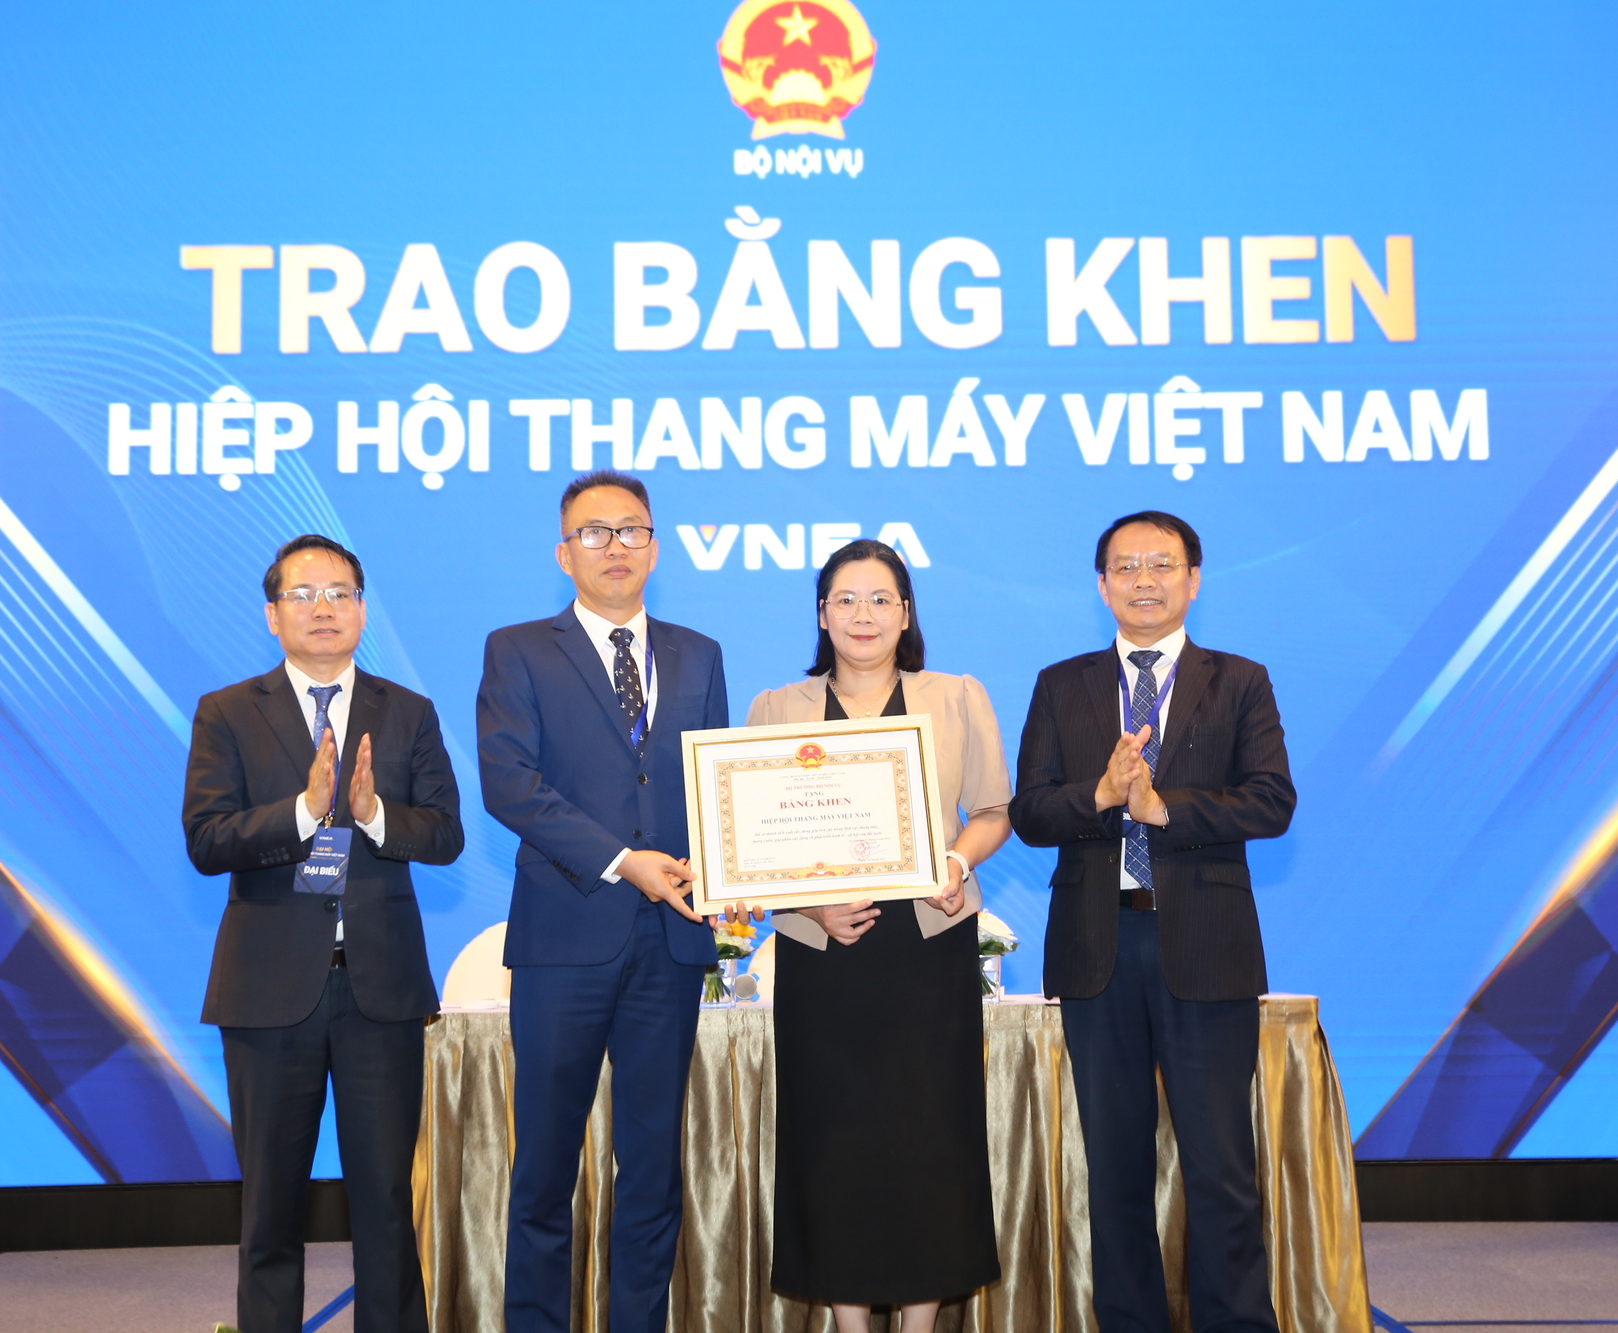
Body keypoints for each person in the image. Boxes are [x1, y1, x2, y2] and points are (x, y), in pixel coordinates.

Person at [1009, 511, 1295, 1333]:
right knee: (1115, 1173)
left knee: (1220, 1169)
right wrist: (1100, 796)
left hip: (1206, 945)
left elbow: (1272, 800)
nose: (1144, 580)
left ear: (1193, 579)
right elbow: (1030, 811)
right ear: (1102, 585)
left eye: (1161, 564)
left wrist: (1164, 807)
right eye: (1126, 566)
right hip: (1098, 947)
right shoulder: (1061, 684)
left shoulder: (1239, 680)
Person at [185, 534, 464, 1333]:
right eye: (303, 594)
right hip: (269, 991)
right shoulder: (228, 712)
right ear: (272, 615)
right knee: (271, 1204)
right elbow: (206, 838)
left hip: (380, 990)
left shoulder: (406, 712)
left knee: (385, 1202)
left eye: (340, 592)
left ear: (363, 611)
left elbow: (445, 834)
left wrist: (372, 814)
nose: (323, 608)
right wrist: (305, 811)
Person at [477, 470, 728, 1333]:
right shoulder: (518, 649)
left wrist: (727, 863)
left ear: (655, 547)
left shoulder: (698, 653)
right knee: (546, 1168)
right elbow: (510, 784)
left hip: (672, 943)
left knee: (652, 1168)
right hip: (564, 940)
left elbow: (711, 785)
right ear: (564, 553)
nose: (615, 546)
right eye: (595, 532)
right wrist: (625, 861)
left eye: (632, 530)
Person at [740, 538, 1010, 1333]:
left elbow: (993, 810)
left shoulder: (956, 696)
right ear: (822, 614)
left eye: (881, 598)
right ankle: (853, 1325)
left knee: (931, 1142)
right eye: (846, 599)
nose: (864, 614)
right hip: (826, 962)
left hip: (928, 953)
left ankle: (920, 1324)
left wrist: (956, 859)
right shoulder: (775, 708)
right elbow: (751, 850)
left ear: (906, 612)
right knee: (834, 1147)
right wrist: (810, 906)